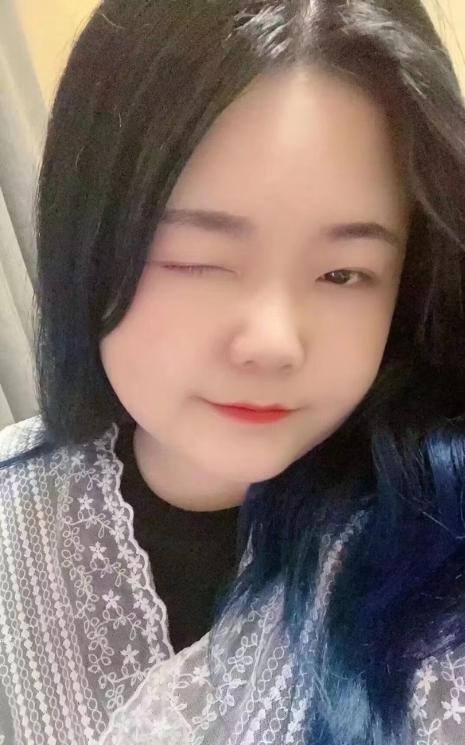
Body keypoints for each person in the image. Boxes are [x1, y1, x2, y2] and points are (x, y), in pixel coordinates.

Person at [1, 0, 465, 742]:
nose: (273, 343)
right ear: (87, 244)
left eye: (343, 273)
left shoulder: (438, 533)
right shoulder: (16, 514)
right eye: (198, 261)